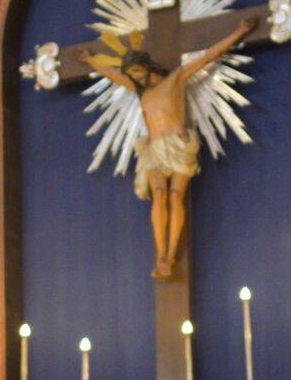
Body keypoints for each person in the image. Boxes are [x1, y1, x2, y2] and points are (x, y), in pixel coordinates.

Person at [77, 15, 258, 279]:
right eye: (132, 74)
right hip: (154, 148)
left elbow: (209, 56)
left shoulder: (175, 79)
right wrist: (90, 61)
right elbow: (113, 76)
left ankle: (171, 253)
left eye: (137, 71)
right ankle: (160, 253)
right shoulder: (138, 91)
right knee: (159, 193)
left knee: (175, 197)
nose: (135, 77)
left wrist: (239, 32)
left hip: (178, 144)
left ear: (147, 66)